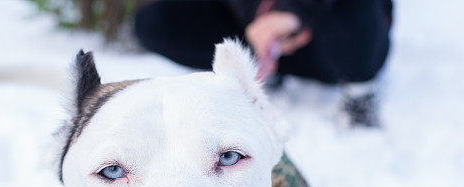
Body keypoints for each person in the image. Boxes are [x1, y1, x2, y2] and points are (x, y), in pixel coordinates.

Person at [133, 0, 393, 127]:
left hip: (338, 39)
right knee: (156, 22)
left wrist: (293, 12)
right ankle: (262, 61)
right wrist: (263, 19)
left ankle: (360, 92)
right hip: (261, 26)